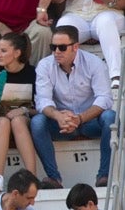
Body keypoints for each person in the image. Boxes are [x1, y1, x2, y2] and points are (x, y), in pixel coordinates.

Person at [31, 25, 115, 187]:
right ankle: (54, 178)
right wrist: (59, 116)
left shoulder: (94, 63)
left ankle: (104, 175)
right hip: (61, 123)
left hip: (89, 121)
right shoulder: (44, 65)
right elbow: (42, 101)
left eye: (62, 47)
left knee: (110, 117)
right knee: (37, 122)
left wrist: (80, 118)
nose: (56, 52)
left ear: (75, 47)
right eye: (53, 47)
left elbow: (104, 99)